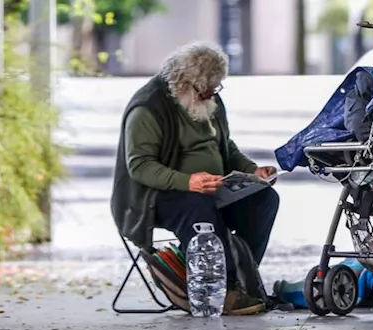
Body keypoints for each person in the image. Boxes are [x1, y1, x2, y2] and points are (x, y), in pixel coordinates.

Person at [111, 42, 279, 315]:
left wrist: (251, 171)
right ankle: (224, 290)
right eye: (206, 89)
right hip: (157, 196)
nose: (212, 94)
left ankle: (242, 277)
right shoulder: (148, 107)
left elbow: (226, 147)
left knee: (264, 199)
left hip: (212, 187)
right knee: (198, 206)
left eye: (216, 88)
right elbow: (140, 166)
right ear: (183, 84)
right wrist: (188, 182)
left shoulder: (208, 99)